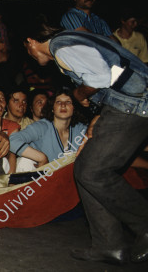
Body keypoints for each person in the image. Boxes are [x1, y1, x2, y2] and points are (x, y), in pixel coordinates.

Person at [23, 20, 148, 264]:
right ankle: (109, 245)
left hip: (133, 105)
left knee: (93, 171)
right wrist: (100, 114)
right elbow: (113, 65)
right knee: (86, 169)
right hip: (126, 104)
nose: (29, 55)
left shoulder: (61, 47)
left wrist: (78, 95)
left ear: (31, 42)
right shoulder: (76, 37)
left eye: (27, 49)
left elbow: (101, 76)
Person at [9, 88, 87, 171]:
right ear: (52, 108)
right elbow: (13, 140)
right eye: (58, 102)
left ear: (74, 108)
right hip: (40, 178)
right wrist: (42, 158)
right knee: (25, 162)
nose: (63, 105)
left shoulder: (80, 129)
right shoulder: (43, 126)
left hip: (69, 179)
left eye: (68, 102)